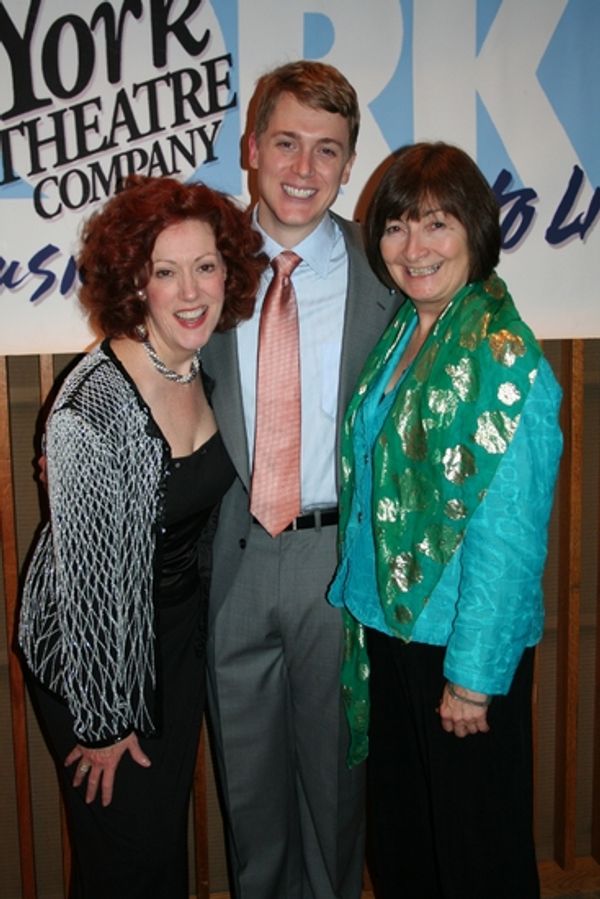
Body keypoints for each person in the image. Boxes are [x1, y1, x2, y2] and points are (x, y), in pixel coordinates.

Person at [18, 174, 266, 899]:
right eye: (165, 270)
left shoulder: (212, 362)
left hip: (176, 637)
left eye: (206, 265)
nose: (191, 290)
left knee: (157, 846)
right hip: (93, 659)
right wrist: (101, 722)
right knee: (124, 860)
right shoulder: (90, 409)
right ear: (135, 282)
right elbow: (91, 587)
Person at [327, 142, 563, 899]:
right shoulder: (411, 331)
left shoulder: (503, 358)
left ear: (475, 230)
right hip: (393, 627)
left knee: (474, 853)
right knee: (405, 842)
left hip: (459, 646)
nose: (413, 247)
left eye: (436, 224)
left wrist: (472, 679)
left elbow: (511, 539)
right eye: (396, 226)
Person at [201, 61, 400, 899]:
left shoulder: (389, 270)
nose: (303, 169)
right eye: (286, 142)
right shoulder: (199, 260)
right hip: (231, 558)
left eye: (328, 150)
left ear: (350, 164)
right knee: (249, 795)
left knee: (334, 790)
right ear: (251, 147)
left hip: (336, 566)